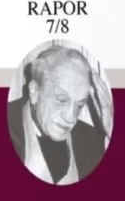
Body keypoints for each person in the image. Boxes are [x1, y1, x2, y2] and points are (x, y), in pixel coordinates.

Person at [7, 45, 113, 185]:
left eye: (79, 105)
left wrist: (111, 130)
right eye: (61, 100)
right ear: (34, 92)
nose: (70, 117)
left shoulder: (91, 142)